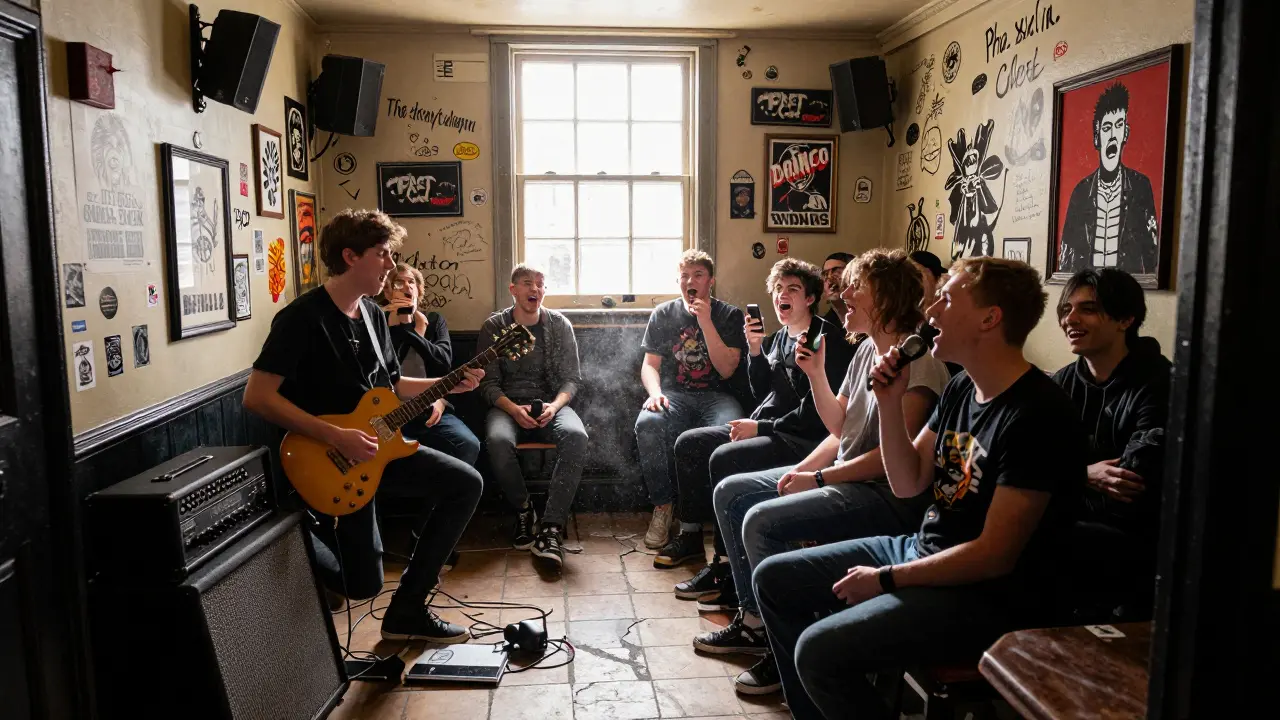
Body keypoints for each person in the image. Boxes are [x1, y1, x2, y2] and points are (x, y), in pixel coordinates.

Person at [754, 258, 1086, 719]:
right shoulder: (961, 388)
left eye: (946, 299)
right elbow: (908, 482)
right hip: (921, 549)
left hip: (985, 593)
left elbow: (994, 556)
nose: (930, 311)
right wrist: (889, 404)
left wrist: (886, 578)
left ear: (990, 319)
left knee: (818, 652)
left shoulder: (1038, 414)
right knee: (772, 579)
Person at [698, 249, 950, 696]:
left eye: (856, 287)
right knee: (732, 492)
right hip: (844, 474)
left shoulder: (921, 364)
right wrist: (815, 378)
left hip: (880, 493)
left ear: (886, 297)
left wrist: (817, 480)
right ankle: (755, 621)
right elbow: (840, 427)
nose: (843, 294)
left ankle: (784, 650)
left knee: (759, 519)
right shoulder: (866, 350)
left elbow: (890, 460)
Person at [243, 209, 484, 643]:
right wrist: (335, 435)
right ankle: (289, 532)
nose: (391, 265)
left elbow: (393, 386)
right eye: (382, 254)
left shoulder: (372, 316)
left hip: (377, 450)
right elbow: (257, 397)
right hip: (328, 455)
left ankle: (407, 610)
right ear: (350, 256)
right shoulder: (301, 318)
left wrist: (449, 383)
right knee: (361, 585)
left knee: (466, 484)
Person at [655, 258, 855, 597]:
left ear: (810, 298)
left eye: (792, 289)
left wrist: (760, 428)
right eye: (778, 289)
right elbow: (761, 391)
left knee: (724, 457)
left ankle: (725, 566)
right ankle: (690, 536)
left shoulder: (824, 339)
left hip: (802, 439)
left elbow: (813, 415)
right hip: (771, 427)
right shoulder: (777, 338)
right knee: (689, 444)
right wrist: (755, 351)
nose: (782, 295)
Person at [1054, 268, 1170, 616]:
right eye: (1066, 309)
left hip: (1133, 541)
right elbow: (1021, 461)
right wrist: (1085, 475)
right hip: (1068, 521)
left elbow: (1131, 481)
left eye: (1088, 309)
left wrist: (1059, 477)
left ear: (1125, 319)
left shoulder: (1159, 382)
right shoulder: (1061, 383)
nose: (1070, 319)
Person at [635, 250, 747, 549]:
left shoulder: (730, 315)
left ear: (711, 281)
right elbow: (649, 365)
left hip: (718, 396)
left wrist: (705, 321)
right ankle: (663, 506)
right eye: (684, 276)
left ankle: (719, 511)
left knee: (729, 432)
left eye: (698, 275)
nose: (690, 281)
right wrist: (655, 394)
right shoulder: (663, 314)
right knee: (647, 423)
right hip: (675, 395)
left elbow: (726, 369)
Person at [478, 264, 588, 567]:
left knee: (576, 436)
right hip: (507, 406)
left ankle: (551, 525)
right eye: (527, 283)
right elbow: (487, 384)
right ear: (513, 290)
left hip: (552, 405)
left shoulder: (560, 325)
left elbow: (572, 380)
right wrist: (513, 409)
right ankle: (525, 510)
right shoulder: (494, 327)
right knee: (498, 441)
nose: (535, 289)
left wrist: (554, 406)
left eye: (540, 284)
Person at [378, 263, 481, 465]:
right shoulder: (378, 320)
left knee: (468, 444)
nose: (407, 287)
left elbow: (443, 363)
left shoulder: (433, 320)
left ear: (418, 290)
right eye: (399, 283)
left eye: (411, 282)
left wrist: (414, 332)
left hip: (430, 406)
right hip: (388, 411)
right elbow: (386, 372)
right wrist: (399, 328)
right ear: (388, 292)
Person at [1060, 81, 1161, 273]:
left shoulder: (1140, 187)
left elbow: (1152, 257)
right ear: (1096, 137)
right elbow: (1065, 262)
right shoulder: (1081, 193)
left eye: (1119, 125)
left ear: (1126, 133)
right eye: (1107, 128)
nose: (1113, 135)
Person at [820, 252, 858, 358]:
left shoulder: (871, 322)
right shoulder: (821, 329)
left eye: (837, 272)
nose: (830, 279)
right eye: (825, 274)